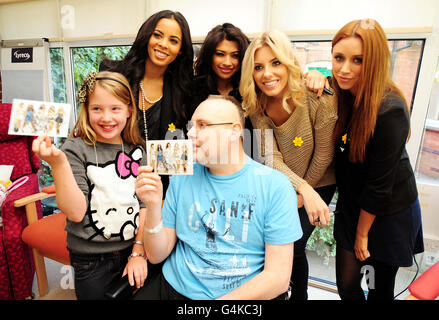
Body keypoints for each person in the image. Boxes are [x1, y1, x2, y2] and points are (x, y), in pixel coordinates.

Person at [134, 95, 303, 300]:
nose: (190, 133)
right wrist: (152, 206)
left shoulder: (275, 187)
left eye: (203, 125)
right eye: (191, 126)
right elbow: (156, 254)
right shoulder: (182, 176)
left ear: (234, 131)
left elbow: (277, 278)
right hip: (173, 288)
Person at [32, 71, 148, 299]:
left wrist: (138, 250)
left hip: (132, 249)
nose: (106, 117)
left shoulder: (138, 150)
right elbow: (75, 212)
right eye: (97, 109)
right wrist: (58, 163)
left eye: (115, 108)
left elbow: (145, 205)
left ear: (129, 110)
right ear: (86, 110)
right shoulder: (75, 148)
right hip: (91, 261)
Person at [240, 30, 338, 300]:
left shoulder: (318, 95)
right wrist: (299, 190)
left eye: (275, 63)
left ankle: (299, 296)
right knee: (280, 244)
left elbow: (324, 156)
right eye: (258, 67)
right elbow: (271, 157)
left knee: (294, 243)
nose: (267, 74)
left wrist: (305, 192)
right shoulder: (256, 105)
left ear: (288, 63)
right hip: (289, 183)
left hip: (321, 182)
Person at [330, 19, 424, 300]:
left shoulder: (389, 109)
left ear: (374, 62)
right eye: (338, 58)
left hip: (385, 213)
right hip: (353, 207)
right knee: (347, 285)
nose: (344, 69)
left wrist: (362, 235)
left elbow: (379, 186)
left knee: (376, 289)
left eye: (357, 60)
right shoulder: (345, 94)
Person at [101, 10, 194, 193]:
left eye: (173, 41)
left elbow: (180, 148)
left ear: (181, 49)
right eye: (157, 35)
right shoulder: (115, 74)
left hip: (159, 188)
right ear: (147, 36)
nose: (163, 44)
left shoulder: (183, 91)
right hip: (112, 179)